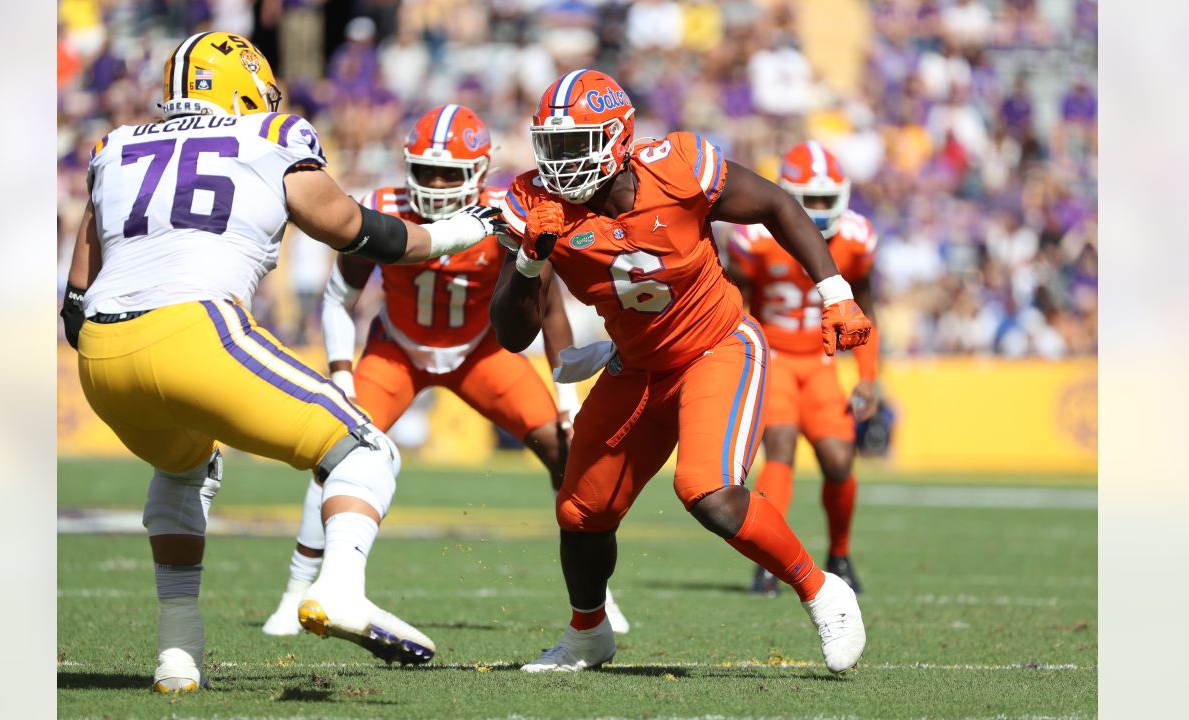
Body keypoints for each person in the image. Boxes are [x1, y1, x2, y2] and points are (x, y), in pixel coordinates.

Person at [60, 31, 504, 692]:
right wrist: (467, 228)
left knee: (183, 470)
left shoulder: (113, 148)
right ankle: (341, 589)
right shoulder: (268, 135)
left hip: (99, 355)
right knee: (364, 450)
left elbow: (74, 299)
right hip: (196, 330)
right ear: (240, 87)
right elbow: (358, 229)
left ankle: (178, 654)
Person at [489, 69, 872, 674]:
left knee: (708, 492)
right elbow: (511, 335)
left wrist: (833, 290)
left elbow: (775, 203)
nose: (559, 164)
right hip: (636, 367)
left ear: (617, 139)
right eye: (551, 146)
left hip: (716, 347)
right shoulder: (536, 204)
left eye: (575, 144)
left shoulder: (680, 166)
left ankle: (823, 591)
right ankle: (588, 635)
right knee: (579, 511)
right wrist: (530, 260)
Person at [260, 104, 630, 636]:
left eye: (450, 173)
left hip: (482, 351)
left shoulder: (509, 214)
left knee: (563, 448)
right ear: (406, 166)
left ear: (478, 172)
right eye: (426, 171)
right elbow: (340, 294)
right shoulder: (384, 205)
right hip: (399, 351)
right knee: (335, 451)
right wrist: (341, 375)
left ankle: (596, 596)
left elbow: (548, 308)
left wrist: (568, 401)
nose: (435, 184)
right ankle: (297, 589)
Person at [725, 141, 880, 596]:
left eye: (823, 199)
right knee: (781, 448)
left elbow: (865, 308)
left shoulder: (856, 239)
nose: (816, 209)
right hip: (771, 354)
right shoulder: (753, 238)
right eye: (806, 199)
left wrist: (868, 377)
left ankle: (840, 553)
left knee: (838, 459)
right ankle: (769, 560)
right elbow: (736, 305)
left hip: (821, 361)